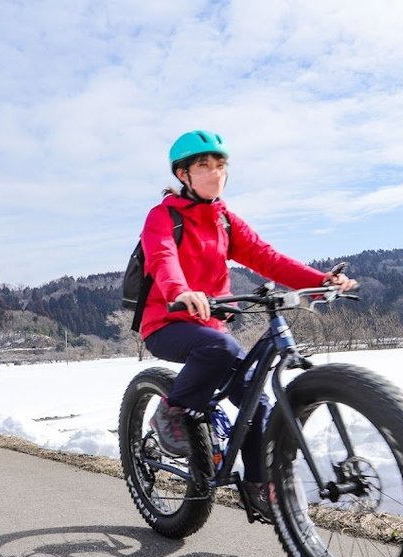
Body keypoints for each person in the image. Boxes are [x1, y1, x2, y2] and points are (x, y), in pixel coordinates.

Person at [139, 130, 357, 520]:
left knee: (257, 402)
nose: (214, 173)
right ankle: (169, 411)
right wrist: (181, 289)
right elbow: (161, 256)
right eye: (203, 166)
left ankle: (259, 486)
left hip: (210, 325)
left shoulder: (224, 220)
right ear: (183, 174)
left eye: (220, 165)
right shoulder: (164, 216)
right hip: (167, 322)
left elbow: (266, 257)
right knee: (218, 350)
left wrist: (319, 281)